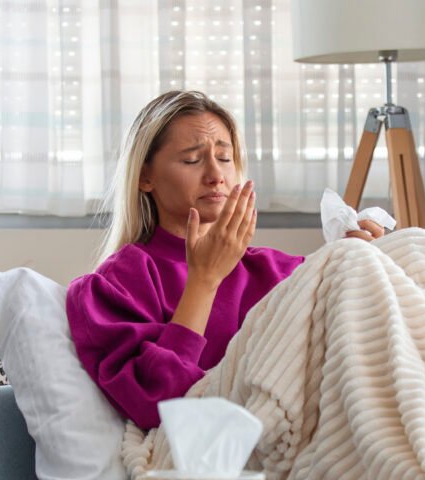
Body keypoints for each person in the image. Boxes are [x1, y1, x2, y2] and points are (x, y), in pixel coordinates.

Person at [67, 90, 383, 429]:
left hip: (324, 429)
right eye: (192, 160)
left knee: (414, 247)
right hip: (218, 449)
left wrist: (365, 261)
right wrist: (204, 281)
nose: (216, 175)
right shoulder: (115, 285)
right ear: (145, 177)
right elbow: (156, 405)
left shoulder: (281, 272)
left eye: (225, 157)